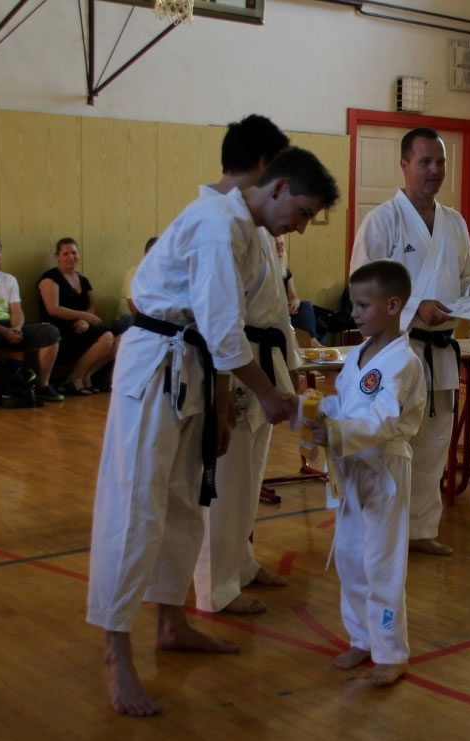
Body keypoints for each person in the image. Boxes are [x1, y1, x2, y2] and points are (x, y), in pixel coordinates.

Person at [86, 145, 340, 717]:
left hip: (194, 368)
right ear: (278, 186)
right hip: (156, 365)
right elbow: (225, 331)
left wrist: (224, 402)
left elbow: (223, 331)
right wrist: (268, 394)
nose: (301, 226)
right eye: (303, 212)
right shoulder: (216, 225)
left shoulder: (243, 228)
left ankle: (170, 623)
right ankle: (115, 651)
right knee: (135, 506)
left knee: (185, 504)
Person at [349, 127, 470, 556]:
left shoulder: (454, 222)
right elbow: (361, 290)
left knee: (433, 444)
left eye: (440, 162)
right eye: (425, 162)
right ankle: (379, 532)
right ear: (404, 165)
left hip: (440, 351)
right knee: (391, 445)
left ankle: (421, 530)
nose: (434, 170)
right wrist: (412, 309)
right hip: (397, 353)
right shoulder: (382, 221)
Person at [192, 115, 302, 616]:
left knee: (249, 477)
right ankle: (215, 586)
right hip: (229, 366)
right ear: (261, 164)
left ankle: (241, 562)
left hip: (261, 356)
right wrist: (224, 399)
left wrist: (289, 372)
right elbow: (218, 323)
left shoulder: (250, 222)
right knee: (226, 478)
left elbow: (274, 308)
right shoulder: (217, 221)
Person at [311, 260, 426, 686]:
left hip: (384, 469)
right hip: (351, 466)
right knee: (350, 557)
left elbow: (383, 421)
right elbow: (345, 404)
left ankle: (391, 652)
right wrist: (318, 413)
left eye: (363, 305)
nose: (354, 314)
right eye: (354, 305)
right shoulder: (359, 354)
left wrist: (336, 431)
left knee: (381, 561)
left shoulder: (403, 362)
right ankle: (362, 637)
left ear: (393, 305)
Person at [0, 237, 64, 405]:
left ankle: (43, 385)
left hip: (10, 326)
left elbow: (17, 309)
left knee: (50, 332)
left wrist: (17, 328)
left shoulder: (9, 279)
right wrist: (4, 332)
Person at [37, 238, 115, 395]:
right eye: (66, 254)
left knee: (119, 341)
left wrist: (85, 319)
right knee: (107, 337)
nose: (71, 257)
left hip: (82, 327)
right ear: (57, 256)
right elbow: (53, 309)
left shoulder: (83, 280)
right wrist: (82, 315)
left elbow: (91, 306)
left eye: (74, 253)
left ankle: (87, 376)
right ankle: (74, 378)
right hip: (60, 329)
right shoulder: (50, 278)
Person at [277, 235, 324, 346]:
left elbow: (294, 297)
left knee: (306, 305)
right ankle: (313, 342)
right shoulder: (265, 272)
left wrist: (295, 302)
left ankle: (312, 340)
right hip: (274, 315)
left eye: (282, 244)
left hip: (288, 314)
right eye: (276, 244)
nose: (280, 247)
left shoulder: (286, 272)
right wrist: (283, 309)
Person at [111, 236, 158, 337]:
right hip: (128, 318)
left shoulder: (165, 276)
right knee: (146, 330)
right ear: (146, 255)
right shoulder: (135, 273)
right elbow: (133, 308)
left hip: (153, 320)